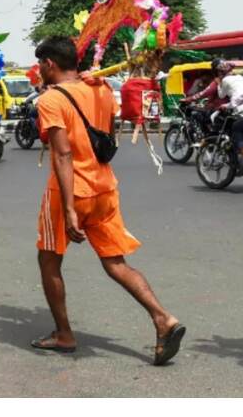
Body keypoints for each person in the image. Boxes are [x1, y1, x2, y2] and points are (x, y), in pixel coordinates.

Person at [31, 36, 184, 365]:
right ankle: (162, 318)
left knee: (48, 260)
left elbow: (62, 153)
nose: (38, 70)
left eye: (39, 64)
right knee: (116, 264)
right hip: (105, 188)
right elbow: (107, 131)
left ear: (49, 64)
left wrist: (70, 208)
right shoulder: (100, 88)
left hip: (70, 193)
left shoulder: (51, 100)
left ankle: (64, 334)